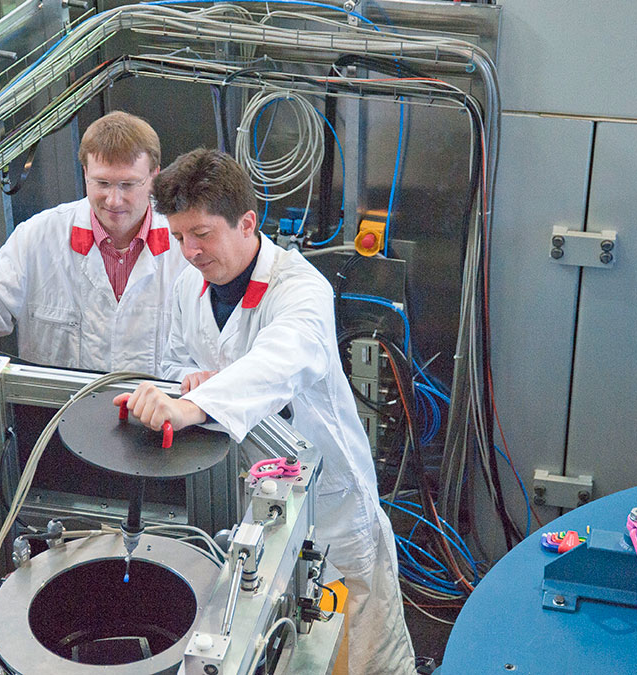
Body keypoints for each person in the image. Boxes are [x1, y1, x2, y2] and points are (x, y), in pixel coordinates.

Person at [115, 149, 416, 673]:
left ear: (247, 222)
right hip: (255, 500)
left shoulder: (299, 289)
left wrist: (193, 405)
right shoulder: (193, 285)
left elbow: (282, 361)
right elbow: (180, 356)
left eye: (202, 234)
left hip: (331, 511)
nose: (189, 250)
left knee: (363, 657)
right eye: (180, 236)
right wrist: (189, 379)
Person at [0, 111, 188, 375]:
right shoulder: (40, 237)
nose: (113, 199)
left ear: (153, 177)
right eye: (102, 183)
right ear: (85, 173)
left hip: (160, 421)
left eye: (127, 185)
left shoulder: (186, 248)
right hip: (58, 420)